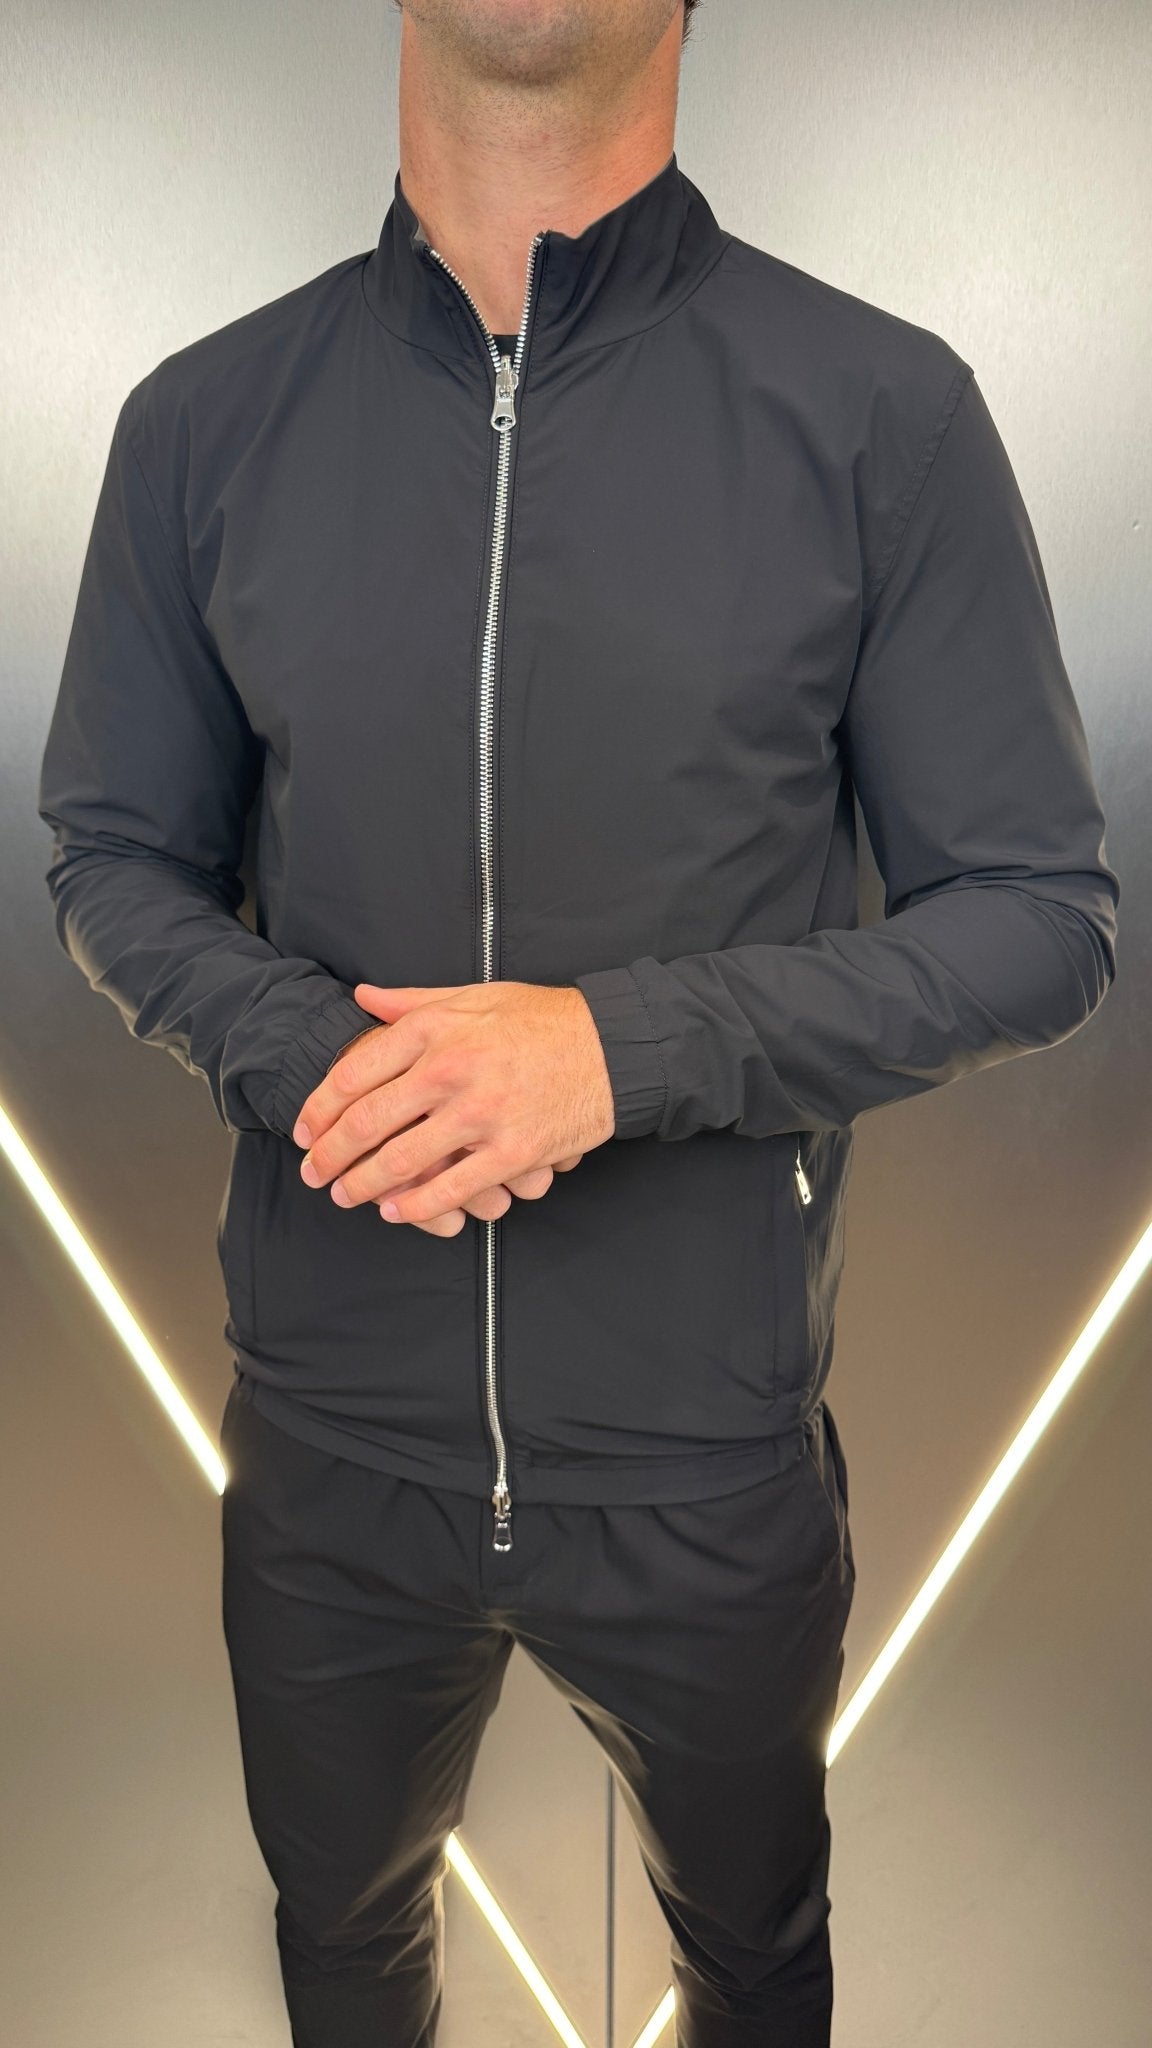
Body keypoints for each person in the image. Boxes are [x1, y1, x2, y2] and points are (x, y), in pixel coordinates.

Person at [37, 1, 1119, 2042]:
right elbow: (112, 854)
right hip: (330, 1455)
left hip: (709, 1464)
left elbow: (1040, 919)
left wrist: (617, 1056)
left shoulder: (880, 414)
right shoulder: (205, 420)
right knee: (346, 1946)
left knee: (756, 1963)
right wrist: (324, 1060)